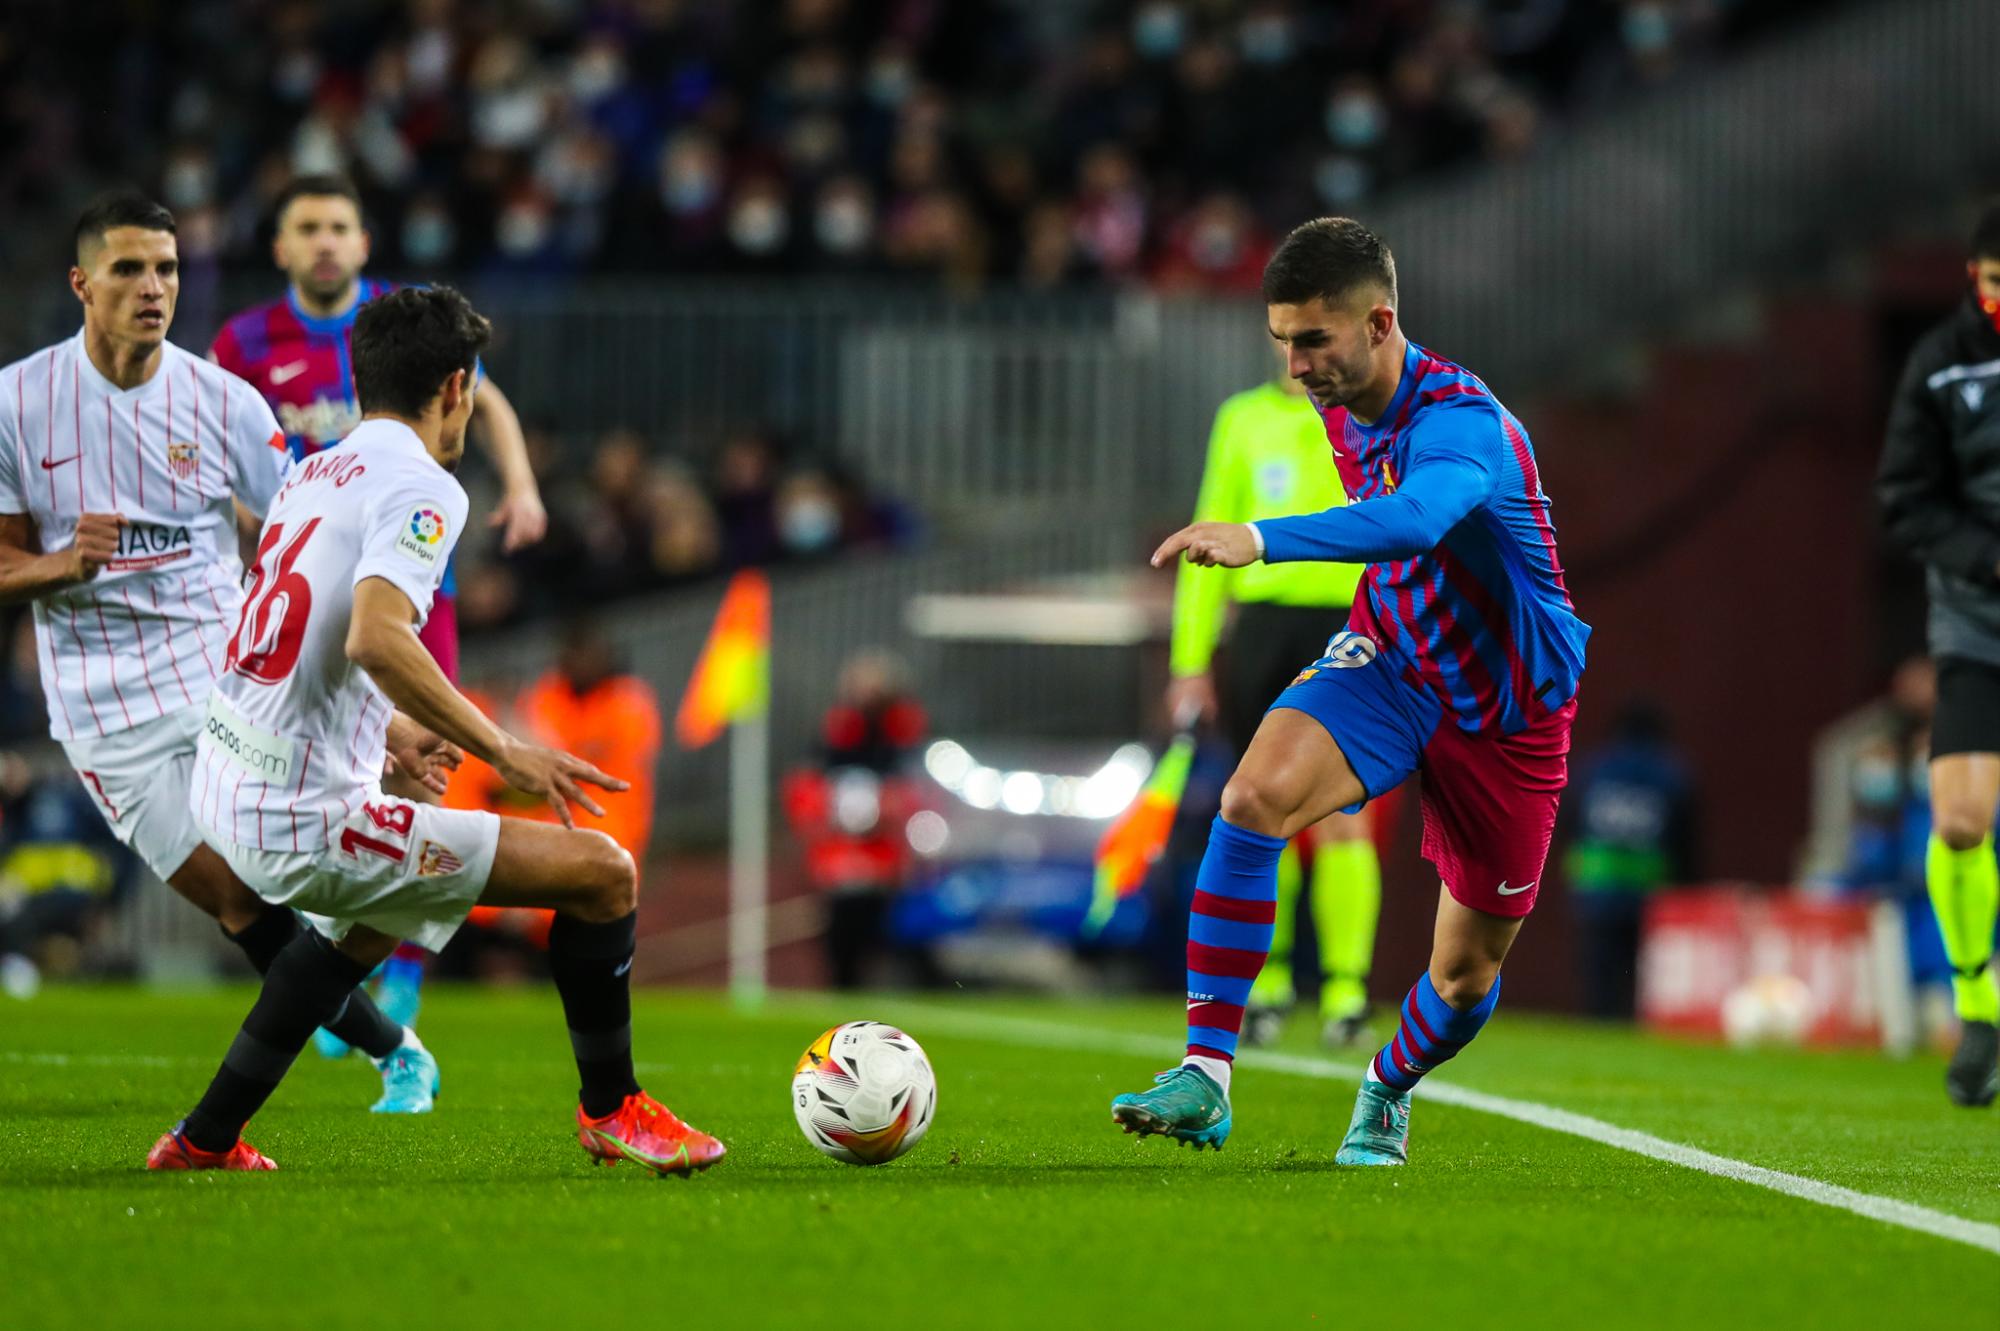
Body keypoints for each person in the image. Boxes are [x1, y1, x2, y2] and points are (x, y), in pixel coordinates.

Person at [149, 286, 724, 1174]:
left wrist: (388, 736)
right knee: (605, 874)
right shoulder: (426, 487)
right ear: (458, 387)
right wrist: (507, 748)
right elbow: (375, 636)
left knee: (372, 924)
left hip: (226, 781)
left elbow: (284, 633)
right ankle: (613, 1108)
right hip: (303, 817)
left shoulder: (313, 471)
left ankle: (204, 1137)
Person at [1109, 217, 1588, 1165]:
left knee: (1462, 976)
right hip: (1392, 659)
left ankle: (1385, 1084)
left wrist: (1263, 537)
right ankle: (1207, 1073)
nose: (1296, 365)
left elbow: (1415, 519)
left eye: (1313, 340)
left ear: (1381, 322)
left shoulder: (1463, 423)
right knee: (1249, 800)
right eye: (1282, 340)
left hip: (1509, 707)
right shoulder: (1336, 397)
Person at [0, 194, 426, 1110]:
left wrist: (382, 716)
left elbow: (304, 543)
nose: (153, 288)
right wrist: (56, 564)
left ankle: (385, 1044)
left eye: (167, 269)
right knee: (238, 904)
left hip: (222, 665)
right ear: (82, 282)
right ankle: (395, 1045)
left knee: (322, 857)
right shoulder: (16, 403)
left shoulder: (226, 401)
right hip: (102, 706)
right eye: (128, 269)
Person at [211, 174, 549, 1039]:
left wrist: (520, 483)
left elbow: (487, 392)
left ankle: (386, 977)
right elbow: (230, 456)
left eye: (339, 226)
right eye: (307, 227)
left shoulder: (405, 321)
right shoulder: (247, 341)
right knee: (349, 774)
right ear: (281, 247)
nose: (325, 241)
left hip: (407, 581)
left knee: (412, 765)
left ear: (363, 243)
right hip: (316, 581)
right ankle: (338, 964)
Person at [1169, 347, 1380, 1049]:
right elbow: (1208, 534)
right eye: (1285, 333)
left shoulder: (1365, 415)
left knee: (1345, 814)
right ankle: (1271, 984)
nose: (1298, 352)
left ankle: (1346, 991)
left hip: (1346, 623)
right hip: (1261, 630)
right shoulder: (1242, 419)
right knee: (1263, 806)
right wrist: (1189, 661)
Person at [1875, 201, 2000, 1107]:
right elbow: (1904, 497)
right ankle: (1977, 1006)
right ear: (1974, 278)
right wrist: (1985, 558)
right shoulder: (1941, 363)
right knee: (1959, 818)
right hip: (1977, 620)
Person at [1562, 700, 1696, 1021]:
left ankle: (1599, 1023)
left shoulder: (1592, 770)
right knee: (1642, 975)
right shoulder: (1672, 776)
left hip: (1597, 888)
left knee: (1600, 972)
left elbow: (1567, 821)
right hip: (1649, 895)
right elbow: (1686, 840)